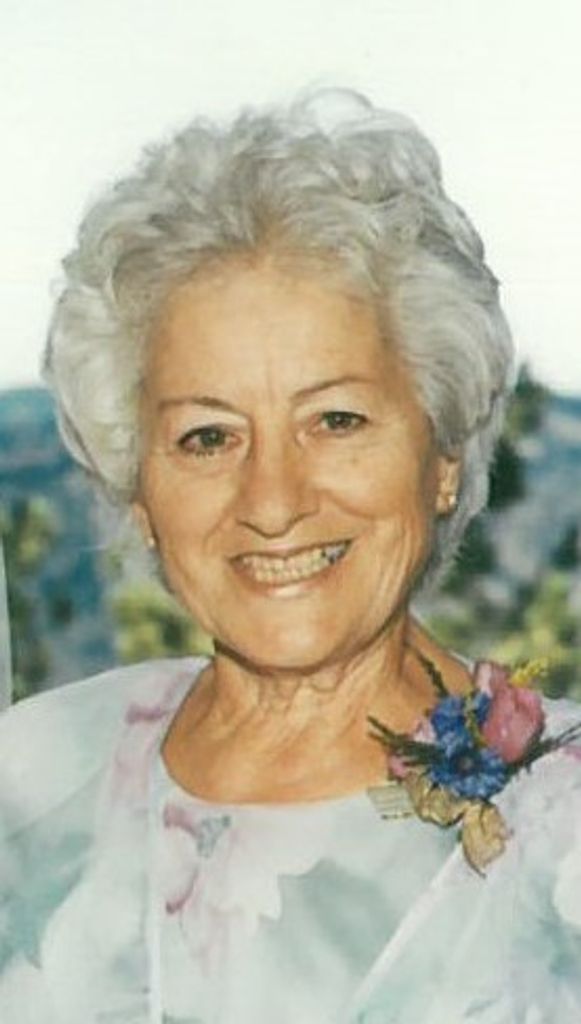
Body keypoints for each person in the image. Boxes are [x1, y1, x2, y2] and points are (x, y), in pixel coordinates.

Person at [1, 88, 580, 1024]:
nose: (272, 502)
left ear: (440, 456)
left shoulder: (563, 832)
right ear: (138, 492)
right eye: (206, 437)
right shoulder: (29, 783)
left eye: (335, 420)